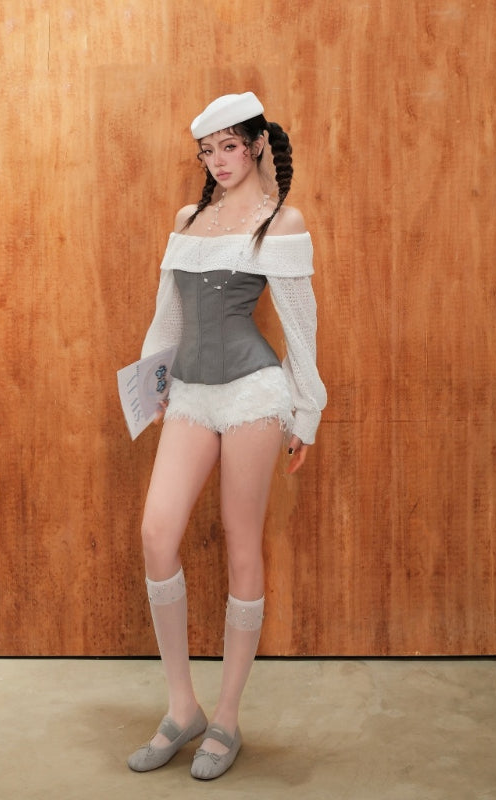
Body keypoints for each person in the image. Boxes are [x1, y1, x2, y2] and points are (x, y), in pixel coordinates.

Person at [127, 91, 327, 780]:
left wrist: (305, 415)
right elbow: (168, 317)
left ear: (257, 145)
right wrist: (153, 388)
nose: (218, 161)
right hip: (189, 392)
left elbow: (301, 328)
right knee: (157, 533)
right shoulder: (189, 219)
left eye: (230, 147)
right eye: (207, 151)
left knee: (243, 544)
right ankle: (181, 708)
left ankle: (227, 719)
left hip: (252, 393)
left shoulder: (281, 221)